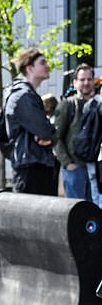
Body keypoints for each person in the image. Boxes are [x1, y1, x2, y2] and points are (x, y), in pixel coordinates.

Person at [2, 48, 55, 195]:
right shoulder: (23, 96)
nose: (47, 66)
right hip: (32, 165)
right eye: (42, 63)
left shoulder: (21, 94)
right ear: (30, 68)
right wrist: (51, 136)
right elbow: (45, 131)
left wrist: (48, 137)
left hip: (31, 163)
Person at [53, 64, 101, 203]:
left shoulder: (98, 104)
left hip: (95, 167)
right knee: (77, 213)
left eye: (89, 79)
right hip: (75, 168)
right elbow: (56, 137)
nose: (86, 83)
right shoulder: (67, 105)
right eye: (82, 79)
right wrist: (67, 163)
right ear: (75, 83)